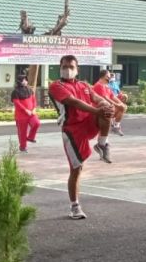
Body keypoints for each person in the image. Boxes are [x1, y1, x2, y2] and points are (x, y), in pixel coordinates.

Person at [49, 55, 114, 220]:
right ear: (60, 67)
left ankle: (102, 144)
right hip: (72, 130)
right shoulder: (56, 86)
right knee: (76, 169)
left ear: (77, 69)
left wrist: (109, 105)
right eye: (64, 66)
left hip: (88, 123)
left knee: (106, 109)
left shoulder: (84, 85)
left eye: (71, 66)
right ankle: (75, 206)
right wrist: (97, 111)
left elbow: (97, 99)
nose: (67, 69)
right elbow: (74, 102)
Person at [11, 74, 40, 153]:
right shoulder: (15, 92)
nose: (25, 81)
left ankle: (31, 137)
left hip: (31, 113)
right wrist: (25, 110)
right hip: (21, 115)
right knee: (22, 132)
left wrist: (34, 108)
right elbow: (17, 103)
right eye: (23, 80)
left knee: (37, 123)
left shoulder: (29, 89)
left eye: (26, 80)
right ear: (19, 81)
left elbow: (34, 100)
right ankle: (23, 147)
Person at [93, 70, 126, 136]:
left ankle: (115, 126)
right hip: (100, 109)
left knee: (122, 107)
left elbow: (112, 96)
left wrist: (120, 103)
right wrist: (117, 105)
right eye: (108, 76)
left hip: (108, 107)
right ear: (103, 76)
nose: (109, 78)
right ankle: (103, 141)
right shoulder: (99, 85)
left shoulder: (106, 86)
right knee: (104, 126)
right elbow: (105, 98)